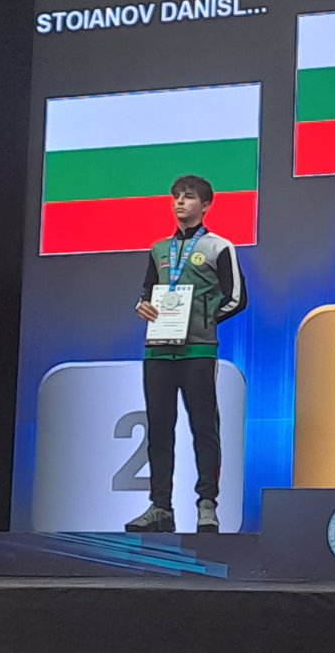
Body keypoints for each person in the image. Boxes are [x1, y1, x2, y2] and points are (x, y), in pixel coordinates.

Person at [125, 175, 248, 533]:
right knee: (159, 429)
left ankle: (207, 504)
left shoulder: (219, 247)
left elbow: (237, 298)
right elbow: (146, 293)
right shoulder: (158, 249)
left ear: (205, 205)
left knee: (204, 427)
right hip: (158, 351)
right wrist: (142, 307)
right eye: (176, 197)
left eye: (189, 197)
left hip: (198, 350)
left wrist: (205, 319)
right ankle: (160, 506)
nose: (180, 202)